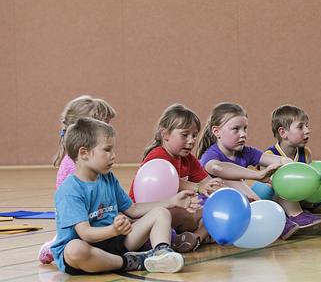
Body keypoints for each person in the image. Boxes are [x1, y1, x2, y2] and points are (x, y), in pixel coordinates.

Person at [52, 118, 198, 275]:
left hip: (115, 241)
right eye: (107, 150)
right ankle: (134, 262)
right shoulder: (70, 190)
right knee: (75, 250)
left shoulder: (108, 178)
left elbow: (133, 209)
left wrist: (171, 201)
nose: (113, 156)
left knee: (161, 212)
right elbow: (86, 234)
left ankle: (162, 254)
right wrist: (113, 230)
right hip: (88, 248)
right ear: (84, 153)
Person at [195, 102, 321, 239]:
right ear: (216, 131)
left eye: (245, 129)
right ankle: (275, 219)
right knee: (230, 179)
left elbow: (276, 160)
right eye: (236, 129)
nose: (243, 134)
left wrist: (288, 165)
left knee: (279, 173)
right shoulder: (211, 154)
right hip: (214, 211)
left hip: (240, 205)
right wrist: (257, 175)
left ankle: (296, 215)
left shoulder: (247, 152)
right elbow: (217, 167)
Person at [130, 104, 224, 252]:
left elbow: (206, 182)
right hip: (147, 215)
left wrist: (218, 190)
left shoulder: (188, 159)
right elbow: (170, 183)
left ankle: (195, 238)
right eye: (185, 135)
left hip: (176, 212)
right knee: (190, 213)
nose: (192, 140)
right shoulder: (158, 156)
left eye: (194, 135)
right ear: (165, 134)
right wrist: (198, 188)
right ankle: (177, 238)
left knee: (214, 206)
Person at [40, 96, 116, 264]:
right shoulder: (73, 166)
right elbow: (76, 212)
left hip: (93, 218)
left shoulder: (94, 163)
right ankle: (54, 246)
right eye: (104, 125)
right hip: (80, 224)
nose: (109, 130)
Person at [264, 105, 321, 215]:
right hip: (283, 200)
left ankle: (317, 210)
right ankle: (298, 214)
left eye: (307, 126)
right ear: (283, 133)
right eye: (301, 127)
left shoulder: (306, 153)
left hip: (304, 197)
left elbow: (311, 181)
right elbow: (272, 189)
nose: (307, 131)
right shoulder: (270, 155)